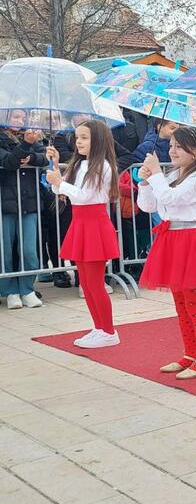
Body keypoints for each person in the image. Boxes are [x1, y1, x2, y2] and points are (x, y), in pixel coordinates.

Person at [136, 127, 196, 379]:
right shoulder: (173, 174)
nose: (172, 151)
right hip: (170, 239)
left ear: (195, 152)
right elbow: (149, 205)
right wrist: (145, 182)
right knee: (181, 304)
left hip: (188, 240)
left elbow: (170, 198)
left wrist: (156, 176)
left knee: (194, 304)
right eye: (171, 145)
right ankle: (190, 353)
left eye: (178, 147)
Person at [45, 120, 121, 348]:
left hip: (94, 224)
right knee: (86, 283)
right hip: (81, 222)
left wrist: (60, 182)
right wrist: (56, 168)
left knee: (95, 283)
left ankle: (108, 330)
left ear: (97, 140)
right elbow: (61, 191)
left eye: (84, 137)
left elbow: (83, 196)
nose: (78, 141)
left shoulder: (104, 166)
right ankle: (99, 328)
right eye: (77, 137)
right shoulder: (81, 165)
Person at [0, 126, 46, 309]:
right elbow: (9, 161)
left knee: (29, 251)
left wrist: (32, 155)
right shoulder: (4, 138)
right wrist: (26, 144)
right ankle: (10, 290)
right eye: (15, 116)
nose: (19, 121)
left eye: (21, 117)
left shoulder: (35, 137)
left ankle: (27, 289)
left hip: (29, 201)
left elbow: (44, 158)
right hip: (5, 202)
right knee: (5, 251)